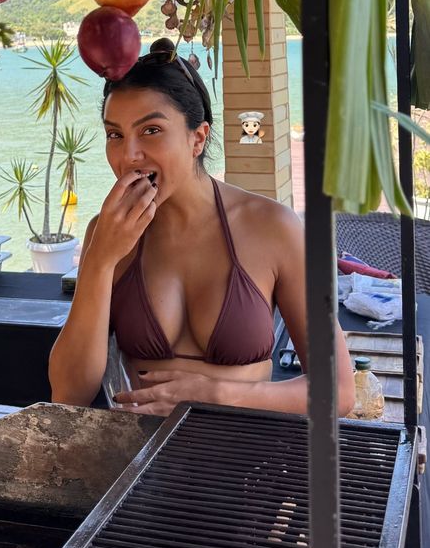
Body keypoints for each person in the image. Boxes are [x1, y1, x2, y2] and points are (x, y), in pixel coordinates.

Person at [49, 39, 355, 417]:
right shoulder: (110, 231)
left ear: (198, 138)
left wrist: (214, 393)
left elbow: (339, 391)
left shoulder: (273, 227)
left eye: (151, 131)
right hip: (139, 458)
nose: (128, 155)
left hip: (246, 458)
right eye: (115, 135)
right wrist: (99, 260)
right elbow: (69, 392)